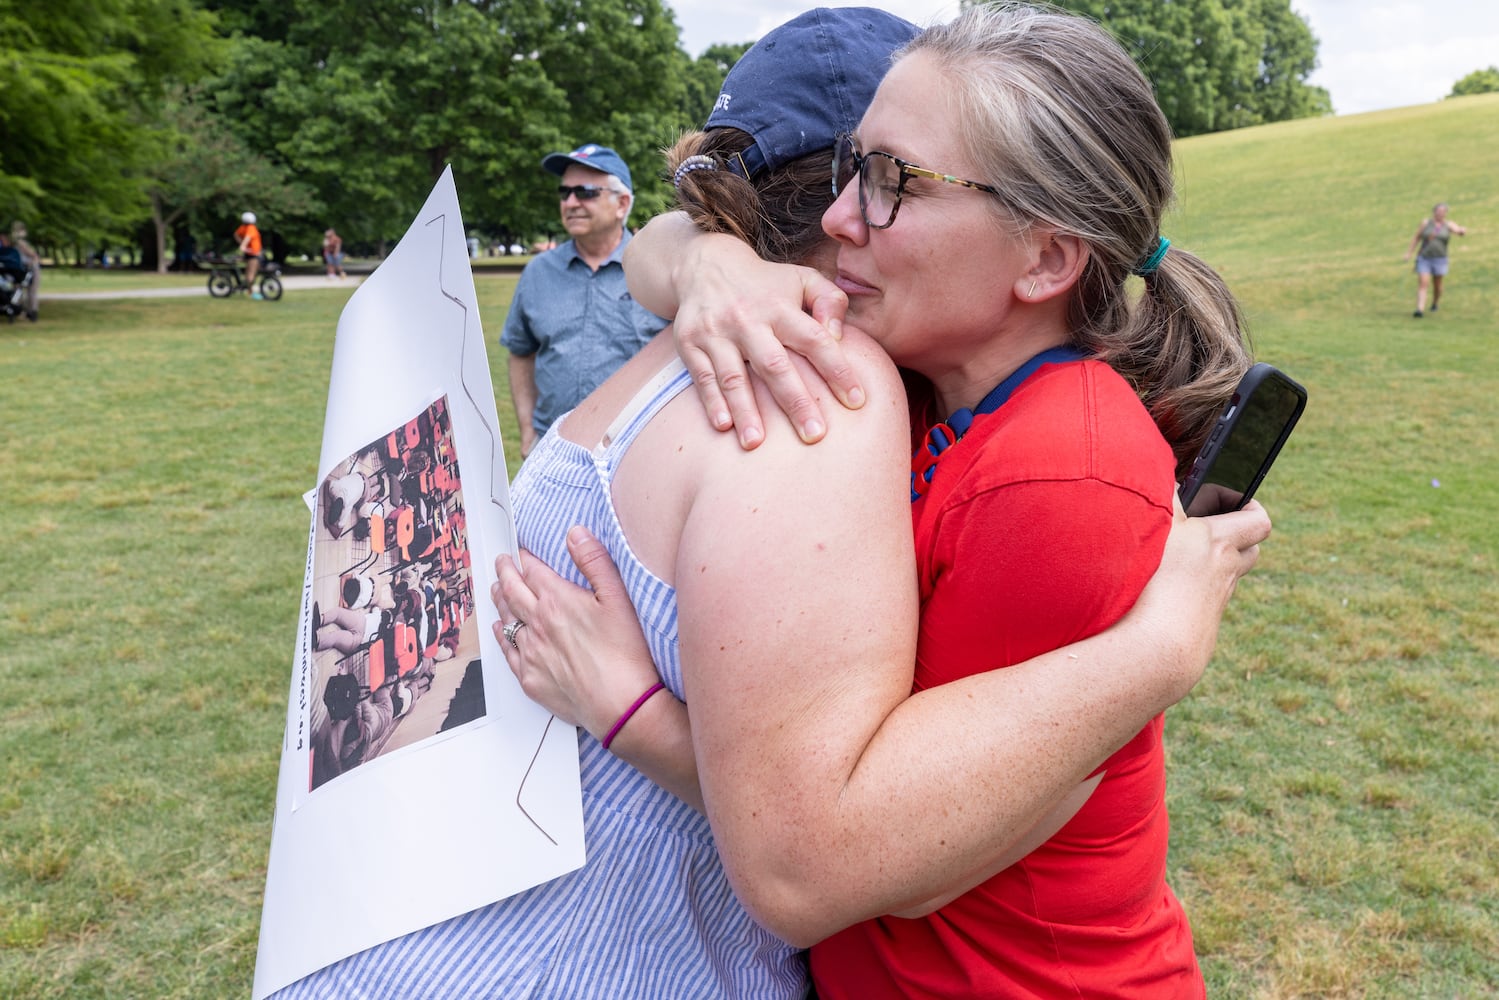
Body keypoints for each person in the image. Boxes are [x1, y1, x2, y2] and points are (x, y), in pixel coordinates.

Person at [272, 8, 1267, 998]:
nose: (843, 217)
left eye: (890, 183)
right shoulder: (885, 386)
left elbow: (854, 861)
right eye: (845, 173)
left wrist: (1158, 654)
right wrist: (706, 259)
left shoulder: (1015, 453)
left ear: (1045, 259)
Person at [499, 143, 668, 458]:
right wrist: (526, 430)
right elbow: (520, 352)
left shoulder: (660, 272)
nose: (571, 202)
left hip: (635, 456)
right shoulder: (538, 272)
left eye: (586, 192)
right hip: (551, 454)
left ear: (622, 203)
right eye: (565, 193)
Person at [1403, 201, 1468, 317]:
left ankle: (1435, 302)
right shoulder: (1426, 223)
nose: (1441, 214)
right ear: (1434, 212)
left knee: (1437, 285)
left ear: (1446, 214)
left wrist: (1461, 231)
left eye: (1443, 212)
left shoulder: (1448, 224)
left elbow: (1458, 230)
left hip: (1440, 259)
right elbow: (1416, 238)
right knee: (1423, 283)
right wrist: (1409, 253)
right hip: (1424, 258)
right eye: (1438, 212)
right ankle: (1419, 310)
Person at [9, 222, 40, 319]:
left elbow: (33, 256)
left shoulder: (16, 243)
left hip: (27, 268)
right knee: (23, 290)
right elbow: (33, 255)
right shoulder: (19, 243)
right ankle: (25, 311)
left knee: (27, 291)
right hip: (24, 268)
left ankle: (30, 312)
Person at [235, 211, 264, 299]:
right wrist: (243, 245)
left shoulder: (243, 227)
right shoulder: (251, 227)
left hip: (250, 253)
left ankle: (247, 286)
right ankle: (251, 292)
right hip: (253, 254)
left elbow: (236, 235)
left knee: (251, 271)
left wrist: (242, 244)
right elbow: (248, 238)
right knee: (251, 272)